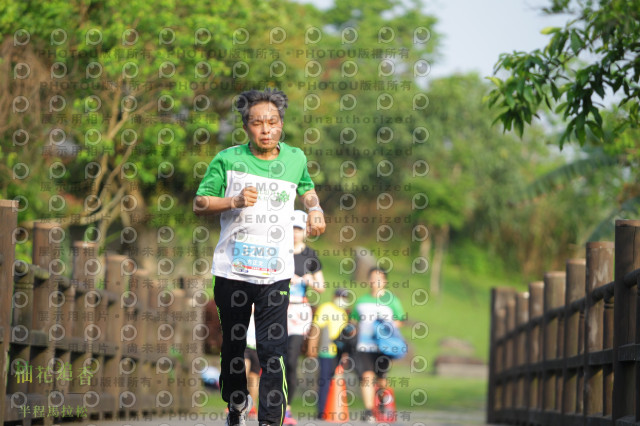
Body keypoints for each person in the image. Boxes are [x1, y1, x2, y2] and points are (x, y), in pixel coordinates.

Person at [193, 88, 326, 426]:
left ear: (282, 123)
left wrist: (315, 209)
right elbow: (201, 202)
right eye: (257, 123)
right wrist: (234, 201)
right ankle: (236, 402)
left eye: (273, 122)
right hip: (232, 270)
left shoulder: (295, 158)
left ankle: (269, 420)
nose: (266, 129)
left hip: (275, 273)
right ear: (246, 127)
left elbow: (307, 189)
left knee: (272, 350)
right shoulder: (227, 159)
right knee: (234, 349)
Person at [284, 210, 325, 425]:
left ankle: (287, 408)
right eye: (292, 228)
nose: (295, 233)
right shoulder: (279, 250)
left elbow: (321, 286)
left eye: (299, 229)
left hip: (299, 312)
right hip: (277, 310)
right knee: (274, 359)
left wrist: (308, 280)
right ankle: (271, 403)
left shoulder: (310, 255)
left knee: (291, 360)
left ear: (305, 231)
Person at [350, 268, 406, 423]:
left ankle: (381, 402)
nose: (376, 281)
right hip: (365, 345)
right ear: (368, 281)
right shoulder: (361, 301)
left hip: (384, 346)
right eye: (373, 278)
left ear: (385, 281)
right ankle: (368, 411)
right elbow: (354, 321)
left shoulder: (392, 301)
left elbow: (400, 320)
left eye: (379, 278)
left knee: (381, 378)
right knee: (366, 376)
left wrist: (386, 325)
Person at [307, 288, 350, 420]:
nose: (342, 299)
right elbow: (316, 328)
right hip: (326, 350)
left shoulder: (343, 313)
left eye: (344, 297)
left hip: (338, 352)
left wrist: (345, 354)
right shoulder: (326, 308)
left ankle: (332, 409)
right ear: (334, 296)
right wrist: (311, 347)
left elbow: (345, 336)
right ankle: (321, 411)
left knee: (335, 381)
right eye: (340, 296)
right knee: (324, 381)